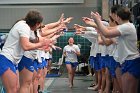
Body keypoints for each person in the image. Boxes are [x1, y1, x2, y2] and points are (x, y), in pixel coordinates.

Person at [0, 10, 52, 93]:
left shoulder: (25, 26)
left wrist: (47, 41)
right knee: (12, 90)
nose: (39, 27)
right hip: (6, 59)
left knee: (17, 88)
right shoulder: (24, 26)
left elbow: (36, 39)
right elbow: (26, 46)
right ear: (37, 23)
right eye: (39, 25)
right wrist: (41, 44)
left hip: (13, 61)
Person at [91, 7, 140, 93]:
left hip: (131, 61)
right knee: (124, 90)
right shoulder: (124, 26)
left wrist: (97, 20)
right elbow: (109, 29)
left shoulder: (126, 27)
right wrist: (97, 22)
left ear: (117, 17)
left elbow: (106, 33)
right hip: (126, 61)